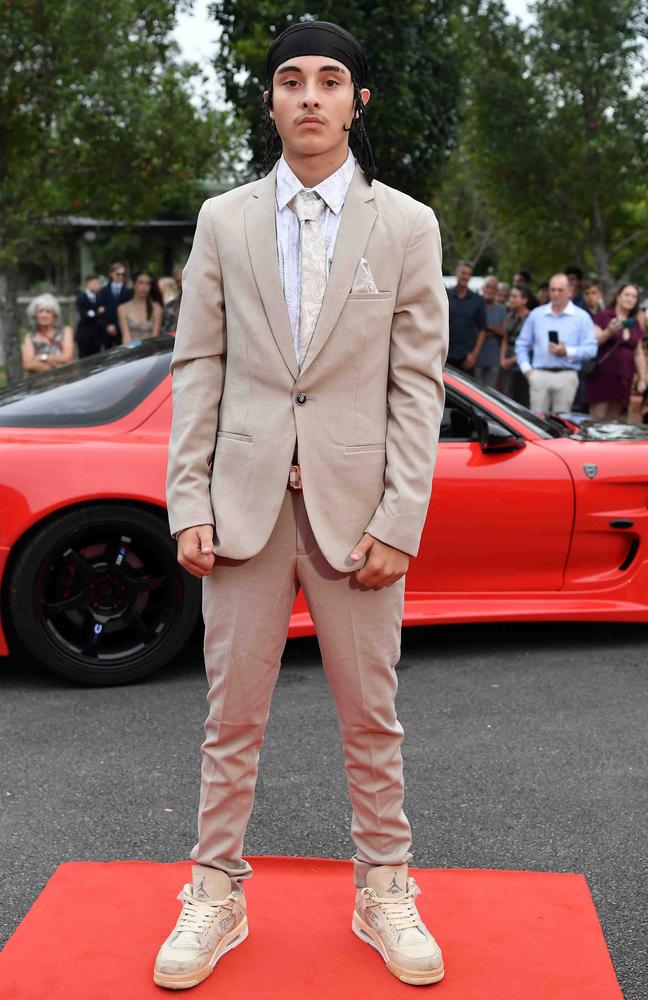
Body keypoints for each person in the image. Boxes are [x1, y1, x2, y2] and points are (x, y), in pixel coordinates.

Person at [157, 19, 448, 991]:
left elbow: (418, 387)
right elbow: (197, 362)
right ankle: (214, 889)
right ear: (271, 100)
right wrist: (186, 494)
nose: (311, 96)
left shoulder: (405, 224)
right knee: (227, 715)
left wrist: (398, 516)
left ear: (357, 101)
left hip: (355, 513)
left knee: (371, 714)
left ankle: (383, 884)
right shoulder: (222, 219)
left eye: (330, 81)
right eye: (292, 80)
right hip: (240, 506)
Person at [515, 273, 597, 413]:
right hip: (539, 373)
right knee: (537, 423)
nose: (555, 294)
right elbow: (522, 344)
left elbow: (591, 349)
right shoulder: (536, 314)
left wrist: (567, 351)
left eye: (560, 290)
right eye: (552, 290)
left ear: (569, 292)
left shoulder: (581, 317)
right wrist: (527, 370)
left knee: (562, 422)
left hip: (567, 374)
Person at [584, 283, 647, 419]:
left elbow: (638, 353)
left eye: (634, 296)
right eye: (626, 295)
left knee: (613, 421)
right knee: (598, 418)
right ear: (618, 297)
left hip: (623, 377)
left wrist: (642, 378)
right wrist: (609, 331)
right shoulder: (604, 316)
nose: (630, 299)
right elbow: (595, 341)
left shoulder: (634, 322)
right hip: (602, 375)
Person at [447, 260, 487, 373]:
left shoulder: (478, 300)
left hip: (466, 358)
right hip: (444, 355)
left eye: (468, 274)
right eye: (463, 273)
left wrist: (474, 354)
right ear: (457, 273)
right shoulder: (445, 295)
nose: (465, 276)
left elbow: (482, 330)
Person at [22, 293, 74, 374]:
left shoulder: (66, 331)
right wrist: (54, 367)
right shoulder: (30, 337)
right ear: (36, 315)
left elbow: (67, 357)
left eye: (48, 311)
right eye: (40, 311)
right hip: (39, 383)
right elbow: (28, 364)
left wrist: (41, 358)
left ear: (54, 315)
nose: (44, 315)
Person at [499, 284, 530, 405]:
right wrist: (502, 359)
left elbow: (531, 345)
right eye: (511, 296)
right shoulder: (510, 316)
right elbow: (505, 339)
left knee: (521, 397)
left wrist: (512, 360)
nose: (511, 299)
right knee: (505, 394)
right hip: (507, 360)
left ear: (524, 300)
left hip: (522, 362)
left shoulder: (530, 317)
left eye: (515, 296)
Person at [475, 275, 506, 387]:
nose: (490, 290)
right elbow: (474, 329)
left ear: (496, 291)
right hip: (476, 357)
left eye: (493, 288)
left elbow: (503, 331)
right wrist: (492, 329)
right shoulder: (476, 305)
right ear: (483, 288)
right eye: (488, 287)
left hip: (493, 358)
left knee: (489, 391)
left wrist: (487, 329)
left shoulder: (501, 309)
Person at [117, 271, 162, 344]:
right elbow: (126, 338)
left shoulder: (156, 308)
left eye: (148, 284)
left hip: (152, 350)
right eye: (141, 283)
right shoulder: (122, 309)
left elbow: (155, 337)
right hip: (132, 351)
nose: (144, 287)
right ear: (134, 284)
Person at [97, 261, 133, 348]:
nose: (121, 276)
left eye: (123, 274)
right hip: (106, 331)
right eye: (118, 274)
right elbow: (99, 311)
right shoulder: (103, 291)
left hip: (122, 330)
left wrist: (116, 326)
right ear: (111, 274)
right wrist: (107, 326)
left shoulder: (128, 292)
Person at [74, 274, 104, 358]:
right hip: (84, 336)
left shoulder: (99, 297)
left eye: (98, 284)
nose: (98, 286)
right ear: (88, 284)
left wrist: (93, 313)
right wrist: (97, 312)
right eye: (96, 283)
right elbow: (85, 316)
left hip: (96, 336)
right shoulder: (81, 298)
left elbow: (102, 312)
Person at [161, 266, 183, 336]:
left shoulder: (199, 305)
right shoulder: (169, 306)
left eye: (183, 280)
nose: (181, 284)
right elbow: (165, 330)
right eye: (178, 281)